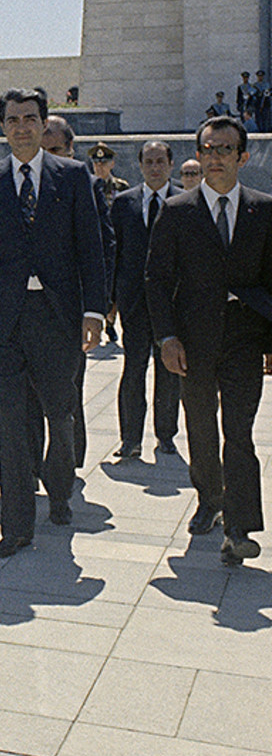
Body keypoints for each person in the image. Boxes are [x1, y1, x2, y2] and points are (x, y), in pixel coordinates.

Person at [0, 88, 106, 556]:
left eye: (30, 118)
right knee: (12, 420)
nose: (21, 127)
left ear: (44, 125)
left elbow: (91, 248)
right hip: (5, 320)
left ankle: (59, 486)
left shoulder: (73, 176)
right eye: (12, 119)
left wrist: (93, 311)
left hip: (57, 317)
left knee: (59, 412)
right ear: (1, 126)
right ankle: (17, 524)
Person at [146, 115, 272, 565]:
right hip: (193, 341)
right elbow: (156, 280)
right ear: (197, 155)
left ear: (243, 157)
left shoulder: (264, 209)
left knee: (238, 433)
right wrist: (167, 338)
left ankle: (239, 528)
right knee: (200, 427)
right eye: (208, 149)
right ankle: (209, 499)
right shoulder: (178, 211)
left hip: (243, 338)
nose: (215, 157)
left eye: (224, 150)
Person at [41, 114, 114, 466]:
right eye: (43, 149)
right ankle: (27, 462)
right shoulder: (15, 182)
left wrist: (96, 309)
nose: (48, 156)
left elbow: (102, 248)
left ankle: (67, 461)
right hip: (25, 308)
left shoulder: (87, 185)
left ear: (71, 149)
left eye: (55, 149)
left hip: (69, 309)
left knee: (68, 390)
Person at [110, 141, 181, 459]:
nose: (155, 167)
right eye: (149, 161)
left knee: (169, 369)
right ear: (139, 165)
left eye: (160, 161)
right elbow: (114, 254)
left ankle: (166, 435)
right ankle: (130, 438)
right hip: (134, 301)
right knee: (133, 367)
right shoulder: (124, 203)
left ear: (171, 164)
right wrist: (110, 302)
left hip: (172, 302)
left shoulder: (185, 202)